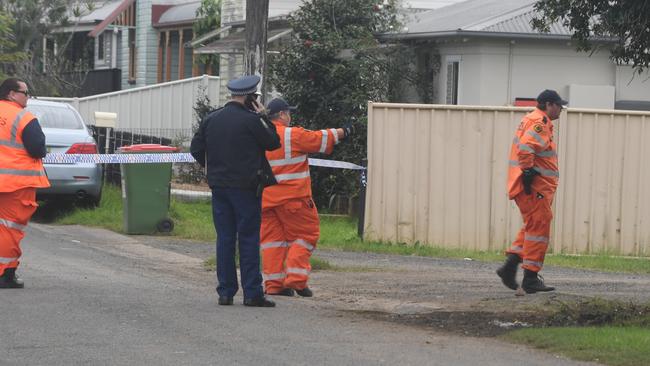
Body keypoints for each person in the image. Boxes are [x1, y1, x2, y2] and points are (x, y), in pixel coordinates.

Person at [190, 75, 281, 307]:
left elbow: (196, 148)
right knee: (248, 238)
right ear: (251, 97)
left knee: (225, 238)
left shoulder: (212, 119)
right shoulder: (252, 120)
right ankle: (252, 293)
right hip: (247, 188)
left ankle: (226, 291)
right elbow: (273, 142)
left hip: (219, 186)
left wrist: (213, 169)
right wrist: (263, 116)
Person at [260, 98, 353, 297]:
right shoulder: (291, 135)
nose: (290, 116)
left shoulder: (258, 136)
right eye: (289, 113)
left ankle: (274, 285)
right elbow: (319, 138)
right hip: (294, 200)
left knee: (272, 242)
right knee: (305, 236)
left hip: (265, 202)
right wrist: (344, 132)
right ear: (283, 115)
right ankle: (296, 280)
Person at [496, 89, 567, 294]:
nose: (561, 108)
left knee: (532, 227)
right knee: (539, 229)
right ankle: (531, 277)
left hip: (533, 186)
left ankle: (510, 267)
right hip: (535, 187)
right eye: (558, 105)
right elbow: (526, 148)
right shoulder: (540, 122)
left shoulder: (533, 119)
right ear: (548, 105)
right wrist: (528, 171)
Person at [0, 78, 50, 289]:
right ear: (12, 94)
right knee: (9, 228)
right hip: (15, 183)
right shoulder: (23, 117)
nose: (28, 96)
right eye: (25, 92)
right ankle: (5, 274)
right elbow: (37, 148)